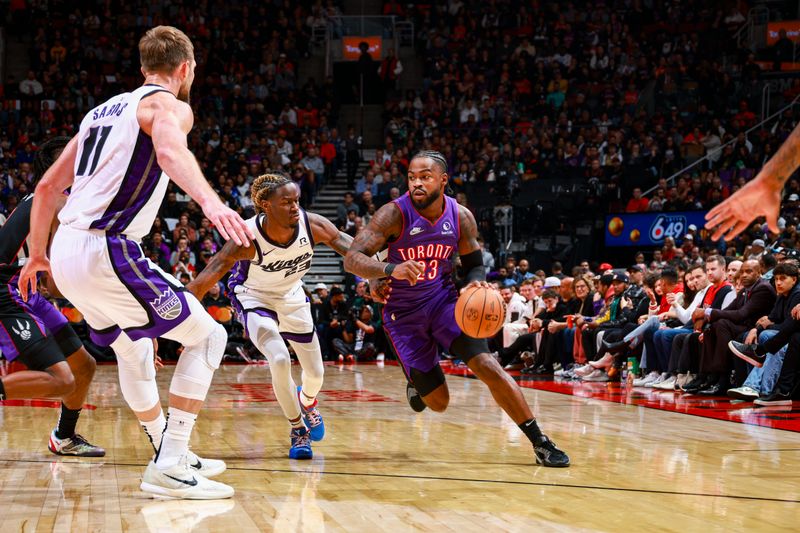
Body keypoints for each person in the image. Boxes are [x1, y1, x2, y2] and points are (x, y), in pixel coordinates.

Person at [19, 26, 254, 500]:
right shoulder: (168, 105)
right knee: (210, 337)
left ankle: (168, 451)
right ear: (185, 68)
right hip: (109, 246)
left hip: (66, 252)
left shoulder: (98, 113)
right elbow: (169, 151)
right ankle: (169, 464)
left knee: (134, 349)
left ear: (143, 67)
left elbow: (45, 188)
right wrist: (213, 204)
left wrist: (39, 253)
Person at [343, 150, 570, 467]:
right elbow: (352, 258)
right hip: (403, 314)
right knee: (438, 403)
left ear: (443, 180)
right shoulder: (392, 215)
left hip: (443, 302)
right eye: (412, 177)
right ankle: (416, 382)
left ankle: (540, 442)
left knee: (488, 365)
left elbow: (475, 264)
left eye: (425, 177)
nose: (417, 183)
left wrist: (475, 284)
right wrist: (388, 270)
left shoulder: (460, 216)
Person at [187, 171, 353, 459]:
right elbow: (207, 276)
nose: (295, 207)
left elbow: (355, 250)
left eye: (297, 201)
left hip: (292, 296)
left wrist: (385, 268)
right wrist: (178, 317)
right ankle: (297, 429)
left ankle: (308, 402)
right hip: (254, 296)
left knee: (315, 373)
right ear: (266, 205)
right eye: (287, 202)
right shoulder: (246, 238)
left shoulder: (312, 225)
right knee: (278, 358)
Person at [0, 137, 104, 457]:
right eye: (74, 160)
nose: (82, 164)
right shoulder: (60, 201)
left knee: (84, 367)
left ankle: (64, 436)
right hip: (6, 292)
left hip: (27, 292)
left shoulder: (50, 198)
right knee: (62, 380)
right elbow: (58, 286)